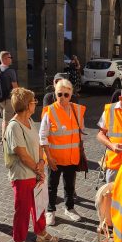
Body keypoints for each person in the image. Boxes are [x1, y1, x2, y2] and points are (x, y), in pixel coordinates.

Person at [5, 87, 59, 242]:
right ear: (28, 105)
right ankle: (19, 241)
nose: (35, 104)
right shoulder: (14, 126)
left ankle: (41, 233)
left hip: (35, 171)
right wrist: (38, 168)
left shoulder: (29, 121)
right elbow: (21, 153)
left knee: (39, 204)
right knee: (22, 210)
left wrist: (42, 162)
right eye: (34, 101)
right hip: (22, 175)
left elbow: (37, 146)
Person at [40, 79, 86, 226]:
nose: (63, 97)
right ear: (55, 94)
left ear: (71, 94)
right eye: (59, 94)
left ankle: (69, 208)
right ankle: (50, 210)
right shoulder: (50, 111)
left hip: (72, 157)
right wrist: (48, 156)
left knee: (70, 185)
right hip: (55, 158)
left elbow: (81, 132)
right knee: (52, 186)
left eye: (66, 94)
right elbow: (42, 136)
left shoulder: (77, 110)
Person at [0, 50, 19, 140]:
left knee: (10, 118)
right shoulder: (10, 71)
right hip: (8, 100)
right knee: (6, 121)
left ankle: (12, 136)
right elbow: (15, 87)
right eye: (10, 57)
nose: (11, 59)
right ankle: (4, 140)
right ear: (5, 59)